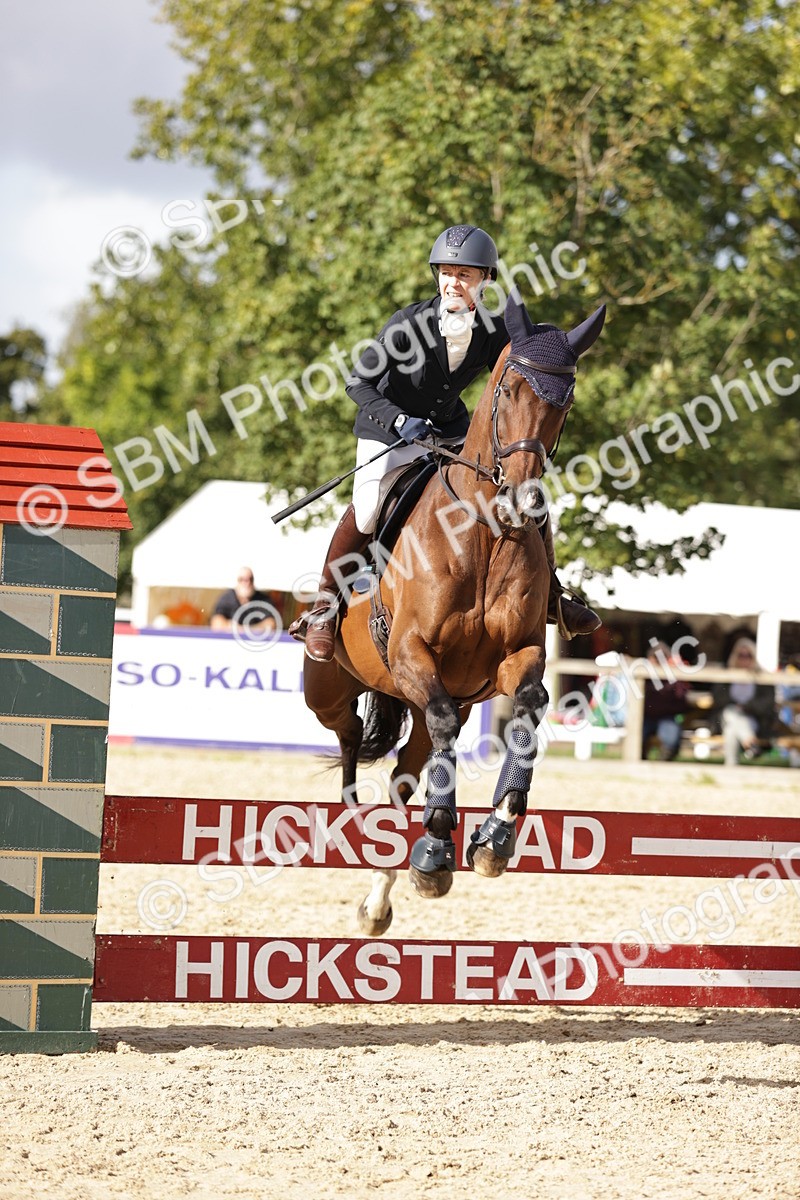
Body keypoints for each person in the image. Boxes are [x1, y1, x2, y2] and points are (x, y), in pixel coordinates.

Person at [289, 223, 601, 661]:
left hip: (449, 432)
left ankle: (552, 594)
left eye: (465, 275)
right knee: (369, 506)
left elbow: (523, 366)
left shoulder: (491, 329)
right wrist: (400, 419)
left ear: (485, 280)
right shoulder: (407, 324)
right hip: (389, 430)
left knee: (525, 490)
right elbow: (358, 383)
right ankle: (324, 606)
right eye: (447, 273)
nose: (453, 283)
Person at [710, 637, 776, 765]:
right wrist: (736, 705)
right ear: (735, 656)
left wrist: (746, 707)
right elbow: (717, 698)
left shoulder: (762, 677)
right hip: (725, 717)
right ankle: (750, 742)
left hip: (754, 719)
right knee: (731, 712)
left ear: (754, 657)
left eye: (748, 655)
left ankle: (731, 766)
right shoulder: (726, 675)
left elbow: (767, 703)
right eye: (741, 655)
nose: (744, 659)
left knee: (731, 729)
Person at [641, 642, 690, 760]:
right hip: (646, 716)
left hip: (667, 716)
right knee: (637, 735)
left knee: (670, 738)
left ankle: (662, 763)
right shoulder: (643, 674)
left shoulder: (675, 675)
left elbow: (682, 700)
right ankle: (640, 762)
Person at [210, 568, 277, 632]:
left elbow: (271, 624)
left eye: (250, 579)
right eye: (242, 579)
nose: (247, 583)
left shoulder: (262, 600)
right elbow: (216, 623)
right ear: (237, 581)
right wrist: (233, 628)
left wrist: (247, 631)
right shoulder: (227, 598)